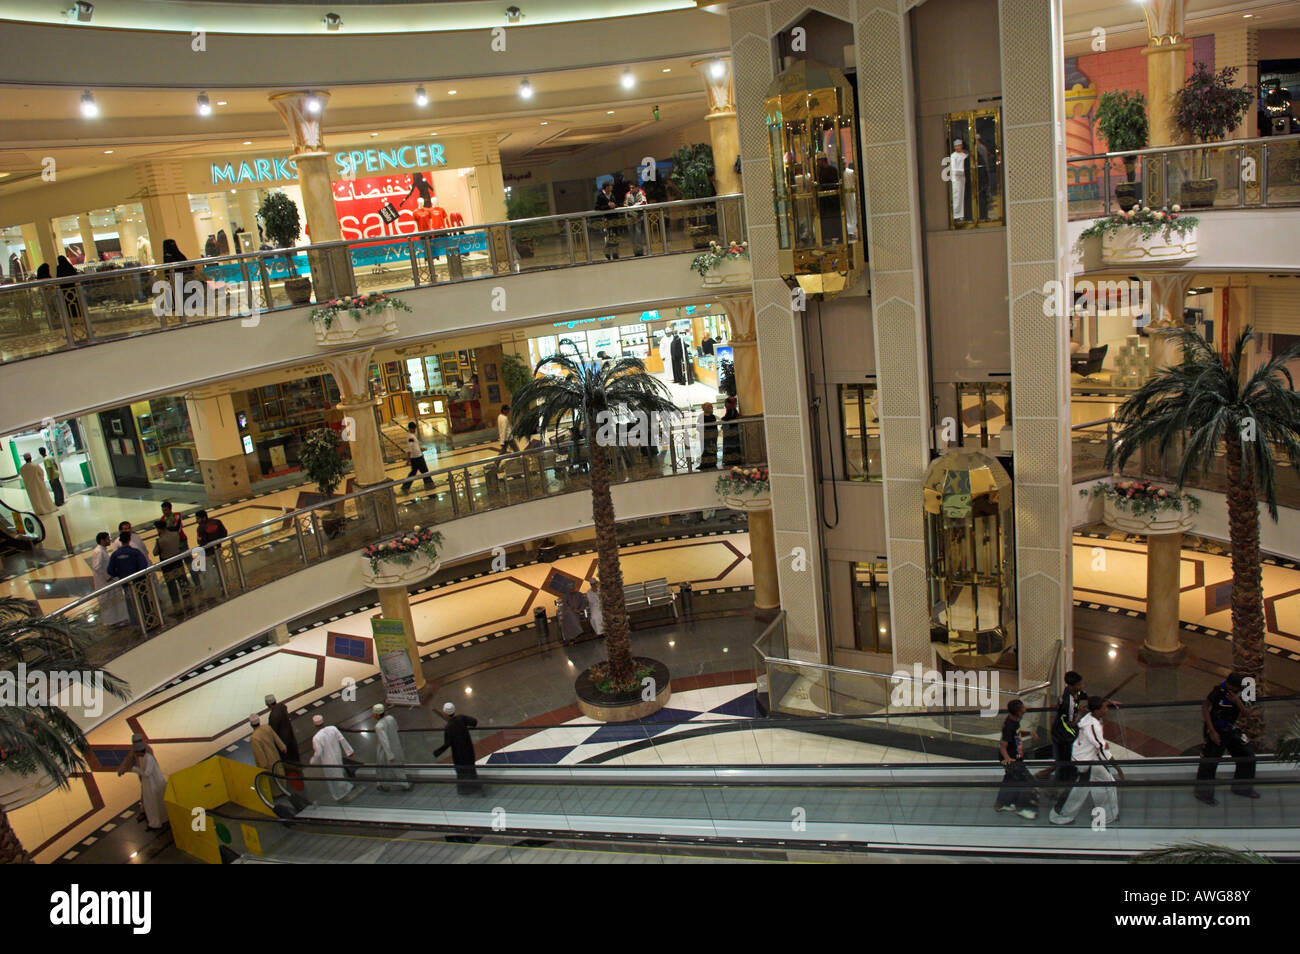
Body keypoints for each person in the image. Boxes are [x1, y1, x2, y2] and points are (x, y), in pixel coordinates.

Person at [1050, 696, 1123, 826]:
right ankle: (1059, 817)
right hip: (1085, 763)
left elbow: (1095, 704)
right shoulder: (1092, 725)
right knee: (1079, 791)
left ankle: (1107, 816)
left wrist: (1109, 702)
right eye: (1104, 708)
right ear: (1096, 711)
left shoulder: (1090, 717)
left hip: (1087, 759)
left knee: (1106, 783)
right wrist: (1118, 769)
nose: (1106, 710)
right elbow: (1101, 748)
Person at [1194, 672, 1259, 804]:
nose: (1233, 690)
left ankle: (1242, 788)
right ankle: (1203, 794)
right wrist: (1212, 731)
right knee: (1210, 761)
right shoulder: (1218, 691)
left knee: (1247, 756)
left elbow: (1247, 713)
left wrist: (1237, 701)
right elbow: (1205, 707)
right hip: (1216, 730)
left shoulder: (1241, 693)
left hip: (1229, 730)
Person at [1040, 670, 1088, 783]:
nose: (1082, 686)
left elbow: (1085, 696)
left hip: (1062, 732)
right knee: (1064, 763)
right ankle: (1059, 784)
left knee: (1062, 760)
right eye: (1079, 684)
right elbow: (1071, 724)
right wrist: (1080, 714)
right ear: (1072, 686)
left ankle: (1048, 774)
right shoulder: (1068, 703)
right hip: (1062, 735)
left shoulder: (1073, 692)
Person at [993, 699, 1038, 819]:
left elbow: (1016, 733)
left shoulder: (1014, 721)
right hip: (1012, 759)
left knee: (1009, 779)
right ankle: (1024, 808)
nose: (1025, 708)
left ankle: (1002, 803)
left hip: (1015, 756)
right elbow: (1003, 746)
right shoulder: (1009, 726)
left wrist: (1028, 733)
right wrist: (1009, 759)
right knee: (1025, 781)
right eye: (1023, 707)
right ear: (1018, 712)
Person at [117, 735, 168, 830]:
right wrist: (123, 768)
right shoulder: (136, 750)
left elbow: (149, 771)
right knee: (147, 797)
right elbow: (129, 759)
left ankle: (152, 816)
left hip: (151, 780)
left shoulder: (147, 752)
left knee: (151, 798)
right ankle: (146, 812)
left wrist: (135, 769)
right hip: (145, 779)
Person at [309, 714, 358, 803]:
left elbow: (318, 752)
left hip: (328, 762)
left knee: (333, 779)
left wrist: (313, 761)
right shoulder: (333, 728)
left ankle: (341, 796)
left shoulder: (316, 738)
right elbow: (342, 739)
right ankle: (346, 790)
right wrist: (349, 751)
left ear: (315, 725)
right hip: (337, 756)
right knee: (340, 773)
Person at [435, 702, 481, 794]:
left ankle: (465, 789)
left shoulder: (449, 727)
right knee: (471, 769)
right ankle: (476, 786)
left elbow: (447, 743)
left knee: (461, 772)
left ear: (445, 714)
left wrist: (437, 752)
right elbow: (474, 722)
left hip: (458, 754)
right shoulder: (461, 718)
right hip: (469, 750)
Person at [85, 531, 128, 626]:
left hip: (108, 581)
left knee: (115, 601)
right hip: (104, 582)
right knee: (110, 603)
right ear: (102, 540)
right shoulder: (99, 551)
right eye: (108, 539)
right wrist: (107, 576)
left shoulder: (102, 550)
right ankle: (113, 621)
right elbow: (97, 567)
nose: (109, 541)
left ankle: (119, 619)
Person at [153, 516, 194, 615]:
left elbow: (155, 552)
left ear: (159, 529)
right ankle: (189, 602)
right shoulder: (175, 534)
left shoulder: (160, 541)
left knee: (172, 587)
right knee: (183, 582)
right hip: (177, 561)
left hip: (167, 565)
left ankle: (177, 607)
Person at [372, 703, 411, 792]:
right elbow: (396, 728)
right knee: (398, 768)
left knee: (384, 769)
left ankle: (384, 785)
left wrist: (390, 756)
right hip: (396, 746)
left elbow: (384, 742)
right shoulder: (391, 718)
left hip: (385, 752)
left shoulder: (379, 726)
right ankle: (405, 784)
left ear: (377, 714)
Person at [194, 509, 228, 598]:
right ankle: (224, 585)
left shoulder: (200, 528)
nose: (196, 521)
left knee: (209, 572)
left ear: (203, 518)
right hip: (218, 550)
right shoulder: (217, 522)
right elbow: (224, 533)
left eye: (197, 519)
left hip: (208, 553)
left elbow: (201, 542)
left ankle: (213, 591)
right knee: (220, 568)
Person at [265, 694, 301, 764]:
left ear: (268, 705)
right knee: (294, 755)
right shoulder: (282, 707)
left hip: (283, 740)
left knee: (288, 760)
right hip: (290, 735)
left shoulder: (273, 716)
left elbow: (273, 731)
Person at [401, 421, 433, 494]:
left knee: (414, 472)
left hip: (416, 456)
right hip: (417, 457)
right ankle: (429, 484)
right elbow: (409, 448)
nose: (415, 430)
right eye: (414, 429)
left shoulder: (411, 435)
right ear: (410, 429)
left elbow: (414, 447)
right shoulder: (410, 437)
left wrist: (421, 449)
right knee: (424, 471)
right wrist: (408, 460)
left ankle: (405, 486)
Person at [595, 181, 621, 260]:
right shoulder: (600, 196)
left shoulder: (612, 195)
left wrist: (614, 205)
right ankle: (607, 252)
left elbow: (617, 204)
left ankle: (615, 253)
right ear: (606, 188)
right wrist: (608, 206)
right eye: (610, 186)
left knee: (616, 235)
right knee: (608, 236)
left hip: (614, 219)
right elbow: (597, 207)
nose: (611, 188)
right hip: (607, 219)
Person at [624, 182, 648, 256]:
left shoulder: (641, 192)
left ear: (637, 188)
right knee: (632, 235)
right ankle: (635, 251)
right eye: (630, 188)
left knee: (638, 234)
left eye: (633, 187)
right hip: (630, 217)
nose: (631, 189)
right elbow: (625, 205)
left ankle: (640, 251)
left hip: (639, 217)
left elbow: (644, 203)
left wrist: (634, 207)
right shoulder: (627, 194)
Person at [949, 139, 969, 221]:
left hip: (962, 178)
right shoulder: (953, 156)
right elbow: (954, 168)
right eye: (956, 146)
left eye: (959, 145)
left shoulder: (964, 155)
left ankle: (961, 214)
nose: (958, 147)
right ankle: (956, 214)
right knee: (956, 196)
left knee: (961, 195)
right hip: (956, 178)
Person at [721, 396, 742, 464]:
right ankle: (733, 460)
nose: (725, 405)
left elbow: (727, 418)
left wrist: (722, 419)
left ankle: (732, 460)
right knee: (733, 445)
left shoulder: (731, 410)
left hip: (732, 431)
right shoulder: (732, 410)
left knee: (731, 446)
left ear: (730, 404)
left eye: (726, 403)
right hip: (732, 430)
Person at [699, 402, 718, 470]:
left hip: (712, 436)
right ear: (704, 408)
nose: (710, 408)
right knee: (705, 450)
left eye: (711, 407)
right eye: (709, 407)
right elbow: (699, 426)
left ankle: (712, 463)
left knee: (712, 449)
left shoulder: (713, 416)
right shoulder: (701, 416)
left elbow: (714, 426)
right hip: (705, 436)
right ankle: (705, 463)